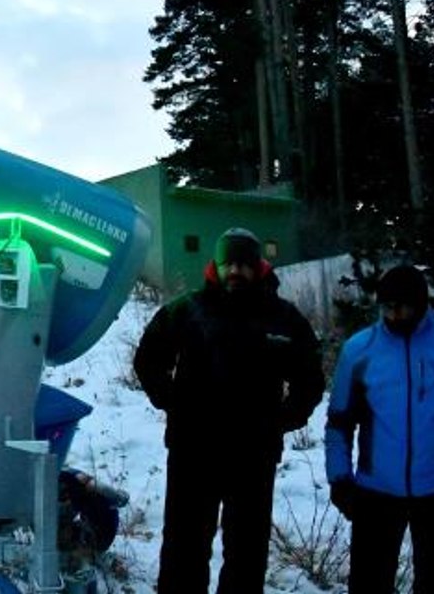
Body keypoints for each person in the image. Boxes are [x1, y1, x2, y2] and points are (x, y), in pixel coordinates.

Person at [135, 227, 324, 593]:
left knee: (247, 551)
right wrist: (173, 402)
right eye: (228, 264)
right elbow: (148, 359)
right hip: (193, 450)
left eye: (243, 264)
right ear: (216, 266)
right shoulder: (187, 309)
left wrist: (284, 420)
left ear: (258, 266)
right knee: (183, 547)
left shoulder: (282, 317)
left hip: (254, 454)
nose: (235, 271)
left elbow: (310, 378)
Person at [325, 264, 434, 594]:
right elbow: (339, 423)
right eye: (387, 306)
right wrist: (340, 479)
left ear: (421, 304)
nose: (395, 314)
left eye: (403, 306)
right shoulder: (359, 351)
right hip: (376, 494)